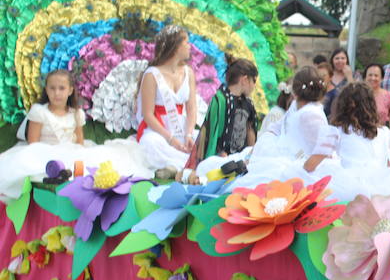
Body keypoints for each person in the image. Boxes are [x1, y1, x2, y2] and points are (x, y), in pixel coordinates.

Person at [0, 70, 152, 201]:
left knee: (105, 157)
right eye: (52, 88)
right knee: (27, 162)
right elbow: (33, 144)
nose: (57, 93)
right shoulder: (39, 111)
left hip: (71, 151)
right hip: (44, 152)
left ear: (70, 90)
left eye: (61, 88)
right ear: (46, 90)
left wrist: (76, 154)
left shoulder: (76, 113)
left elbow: (79, 142)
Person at [302, 82, 390, 202]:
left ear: (342, 105)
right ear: (371, 105)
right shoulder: (385, 132)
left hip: (349, 187)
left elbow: (311, 164)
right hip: (384, 188)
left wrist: (301, 170)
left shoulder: (336, 130)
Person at [232, 66, 329, 189]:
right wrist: (261, 146)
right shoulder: (295, 105)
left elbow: (320, 150)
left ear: (295, 90)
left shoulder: (311, 114)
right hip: (280, 148)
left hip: (297, 160)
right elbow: (278, 126)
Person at [184, 57, 259, 183]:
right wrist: (220, 153)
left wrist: (251, 155)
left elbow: (251, 132)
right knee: (209, 169)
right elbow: (211, 132)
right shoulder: (220, 100)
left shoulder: (248, 104)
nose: (254, 87)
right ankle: (184, 175)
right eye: (253, 81)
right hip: (219, 158)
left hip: (241, 160)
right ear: (245, 80)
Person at [136, 25, 198, 174]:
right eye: (187, 43)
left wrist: (188, 134)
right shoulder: (152, 75)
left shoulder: (188, 73)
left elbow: (191, 108)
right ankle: (181, 166)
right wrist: (170, 139)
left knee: (202, 138)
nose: (190, 47)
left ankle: (174, 167)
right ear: (176, 48)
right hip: (158, 130)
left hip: (182, 128)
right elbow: (148, 114)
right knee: (151, 143)